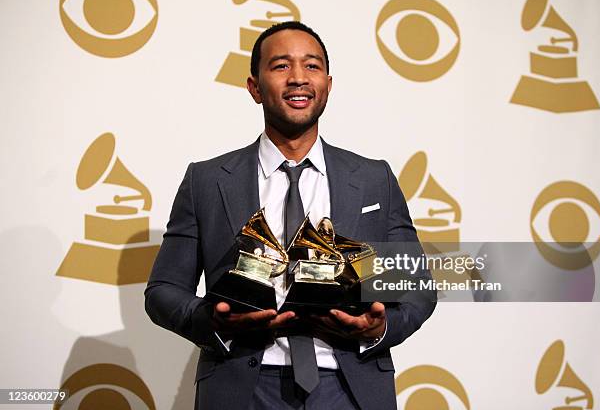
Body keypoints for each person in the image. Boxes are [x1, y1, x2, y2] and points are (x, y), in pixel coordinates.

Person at [145, 21, 436, 410]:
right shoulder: (207, 180)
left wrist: (379, 328)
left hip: (351, 385)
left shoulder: (373, 179)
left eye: (312, 66)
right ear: (254, 87)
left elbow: (417, 285)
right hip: (243, 384)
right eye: (281, 66)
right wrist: (214, 321)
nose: (298, 78)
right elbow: (163, 290)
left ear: (328, 85)